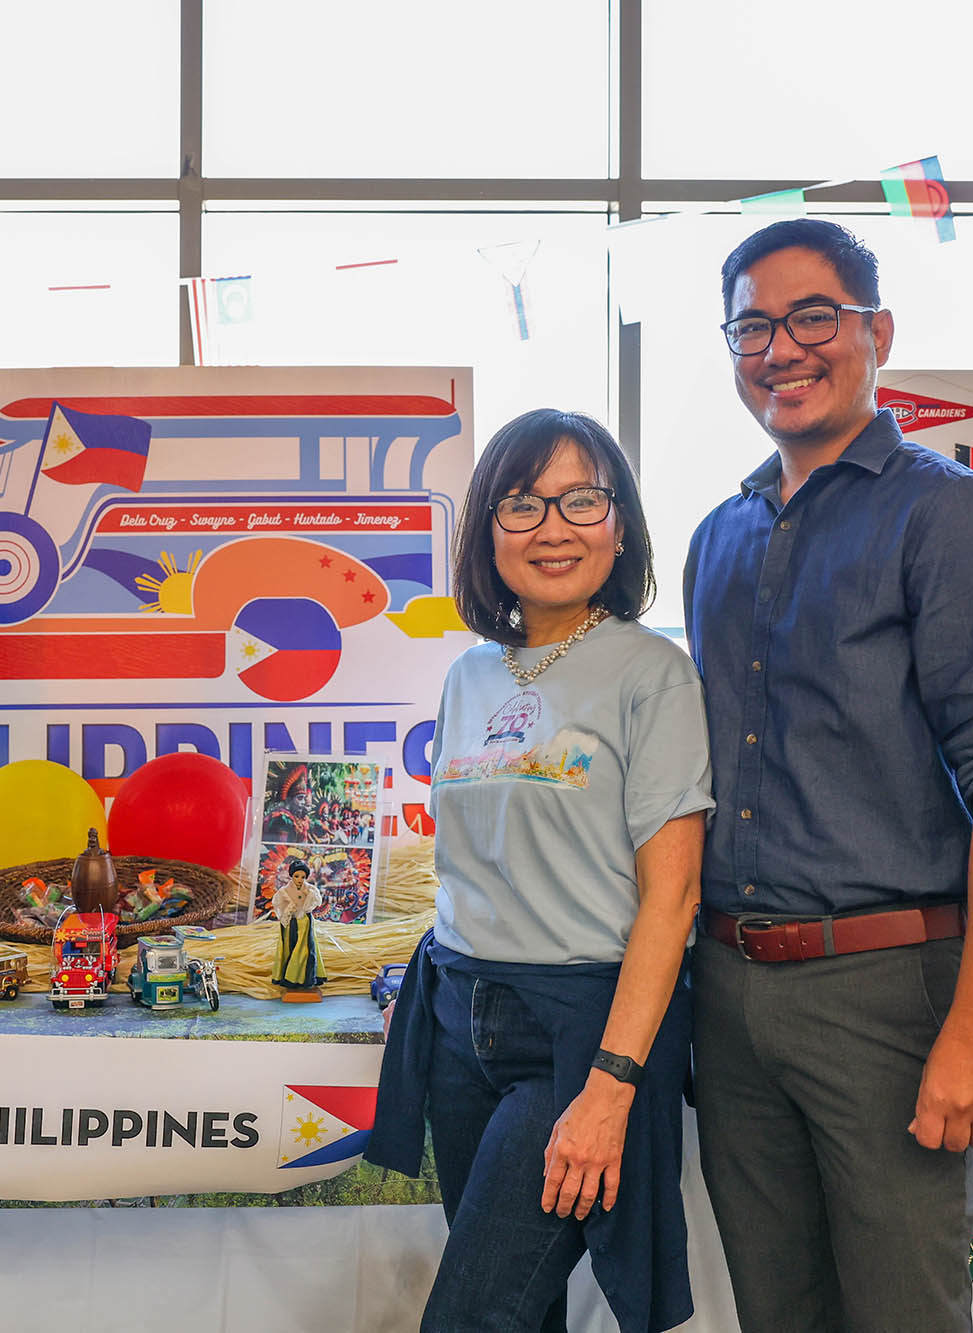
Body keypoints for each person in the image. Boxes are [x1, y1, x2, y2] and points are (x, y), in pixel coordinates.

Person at [685, 219, 973, 1332]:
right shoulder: (720, 533)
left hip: (885, 992)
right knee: (775, 1311)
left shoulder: (942, 511)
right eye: (752, 325)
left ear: (874, 333)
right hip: (730, 987)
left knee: (901, 1313)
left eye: (814, 317)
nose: (782, 348)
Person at [368, 409, 709, 1333]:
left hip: (579, 1031)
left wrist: (611, 1083)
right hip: (457, 1019)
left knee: (473, 1316)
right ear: (487, 529)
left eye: (580, 500)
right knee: (525, 1310)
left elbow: (671, 898)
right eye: (522, 504)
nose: (552, 527)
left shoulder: (653, 674)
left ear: (620, 523)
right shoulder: (469, 675)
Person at [270, 855, 322, 994]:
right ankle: (289, 977)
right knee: (289, 948)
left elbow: (315, 902)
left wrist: (308, 896)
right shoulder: (284, 891)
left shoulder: (310, 890)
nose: (300, 880)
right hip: (290, 924)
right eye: (297, 876)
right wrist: (287, 913)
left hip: (304, 923)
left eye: (303, 877)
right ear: (291, 876)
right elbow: (278, 905)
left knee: (304, 950)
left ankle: (301, 978)